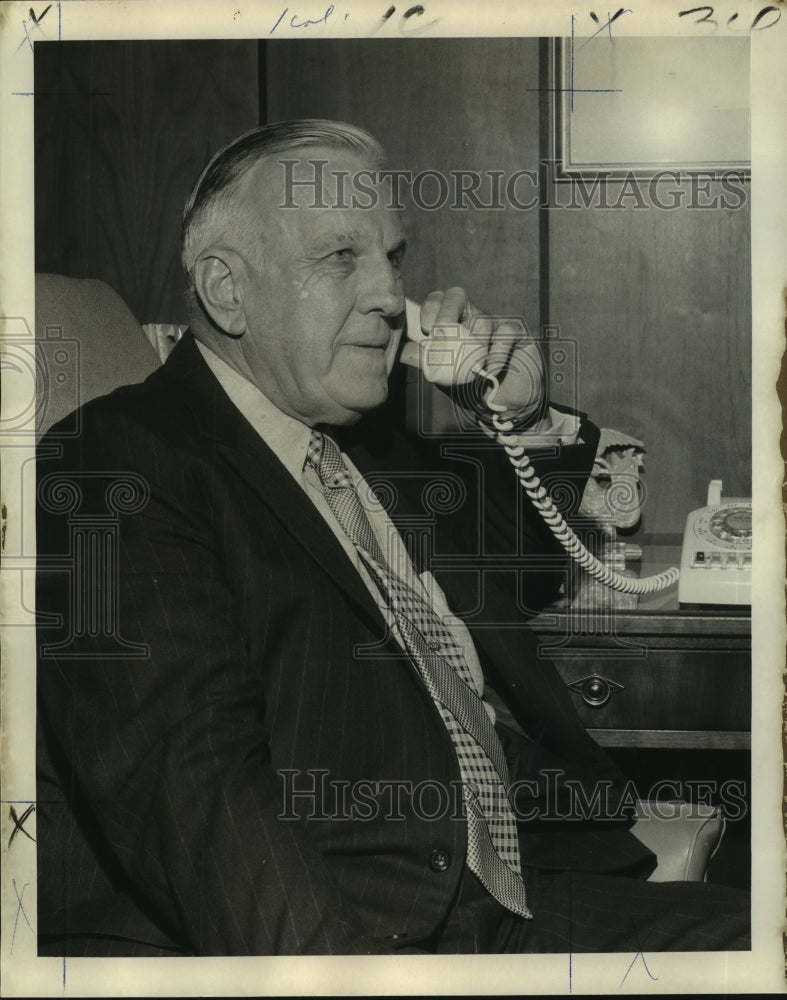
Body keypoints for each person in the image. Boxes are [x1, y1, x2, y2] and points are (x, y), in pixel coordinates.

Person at [36, 119, 749, 956]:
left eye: (392, 257)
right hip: (357, 933)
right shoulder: (115, 463)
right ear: (227, 291)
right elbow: (201, 798)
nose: (387, 295)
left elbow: (519, 581)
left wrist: (514, 415)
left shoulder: (359, 443)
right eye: (341, 257)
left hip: (507, 886)